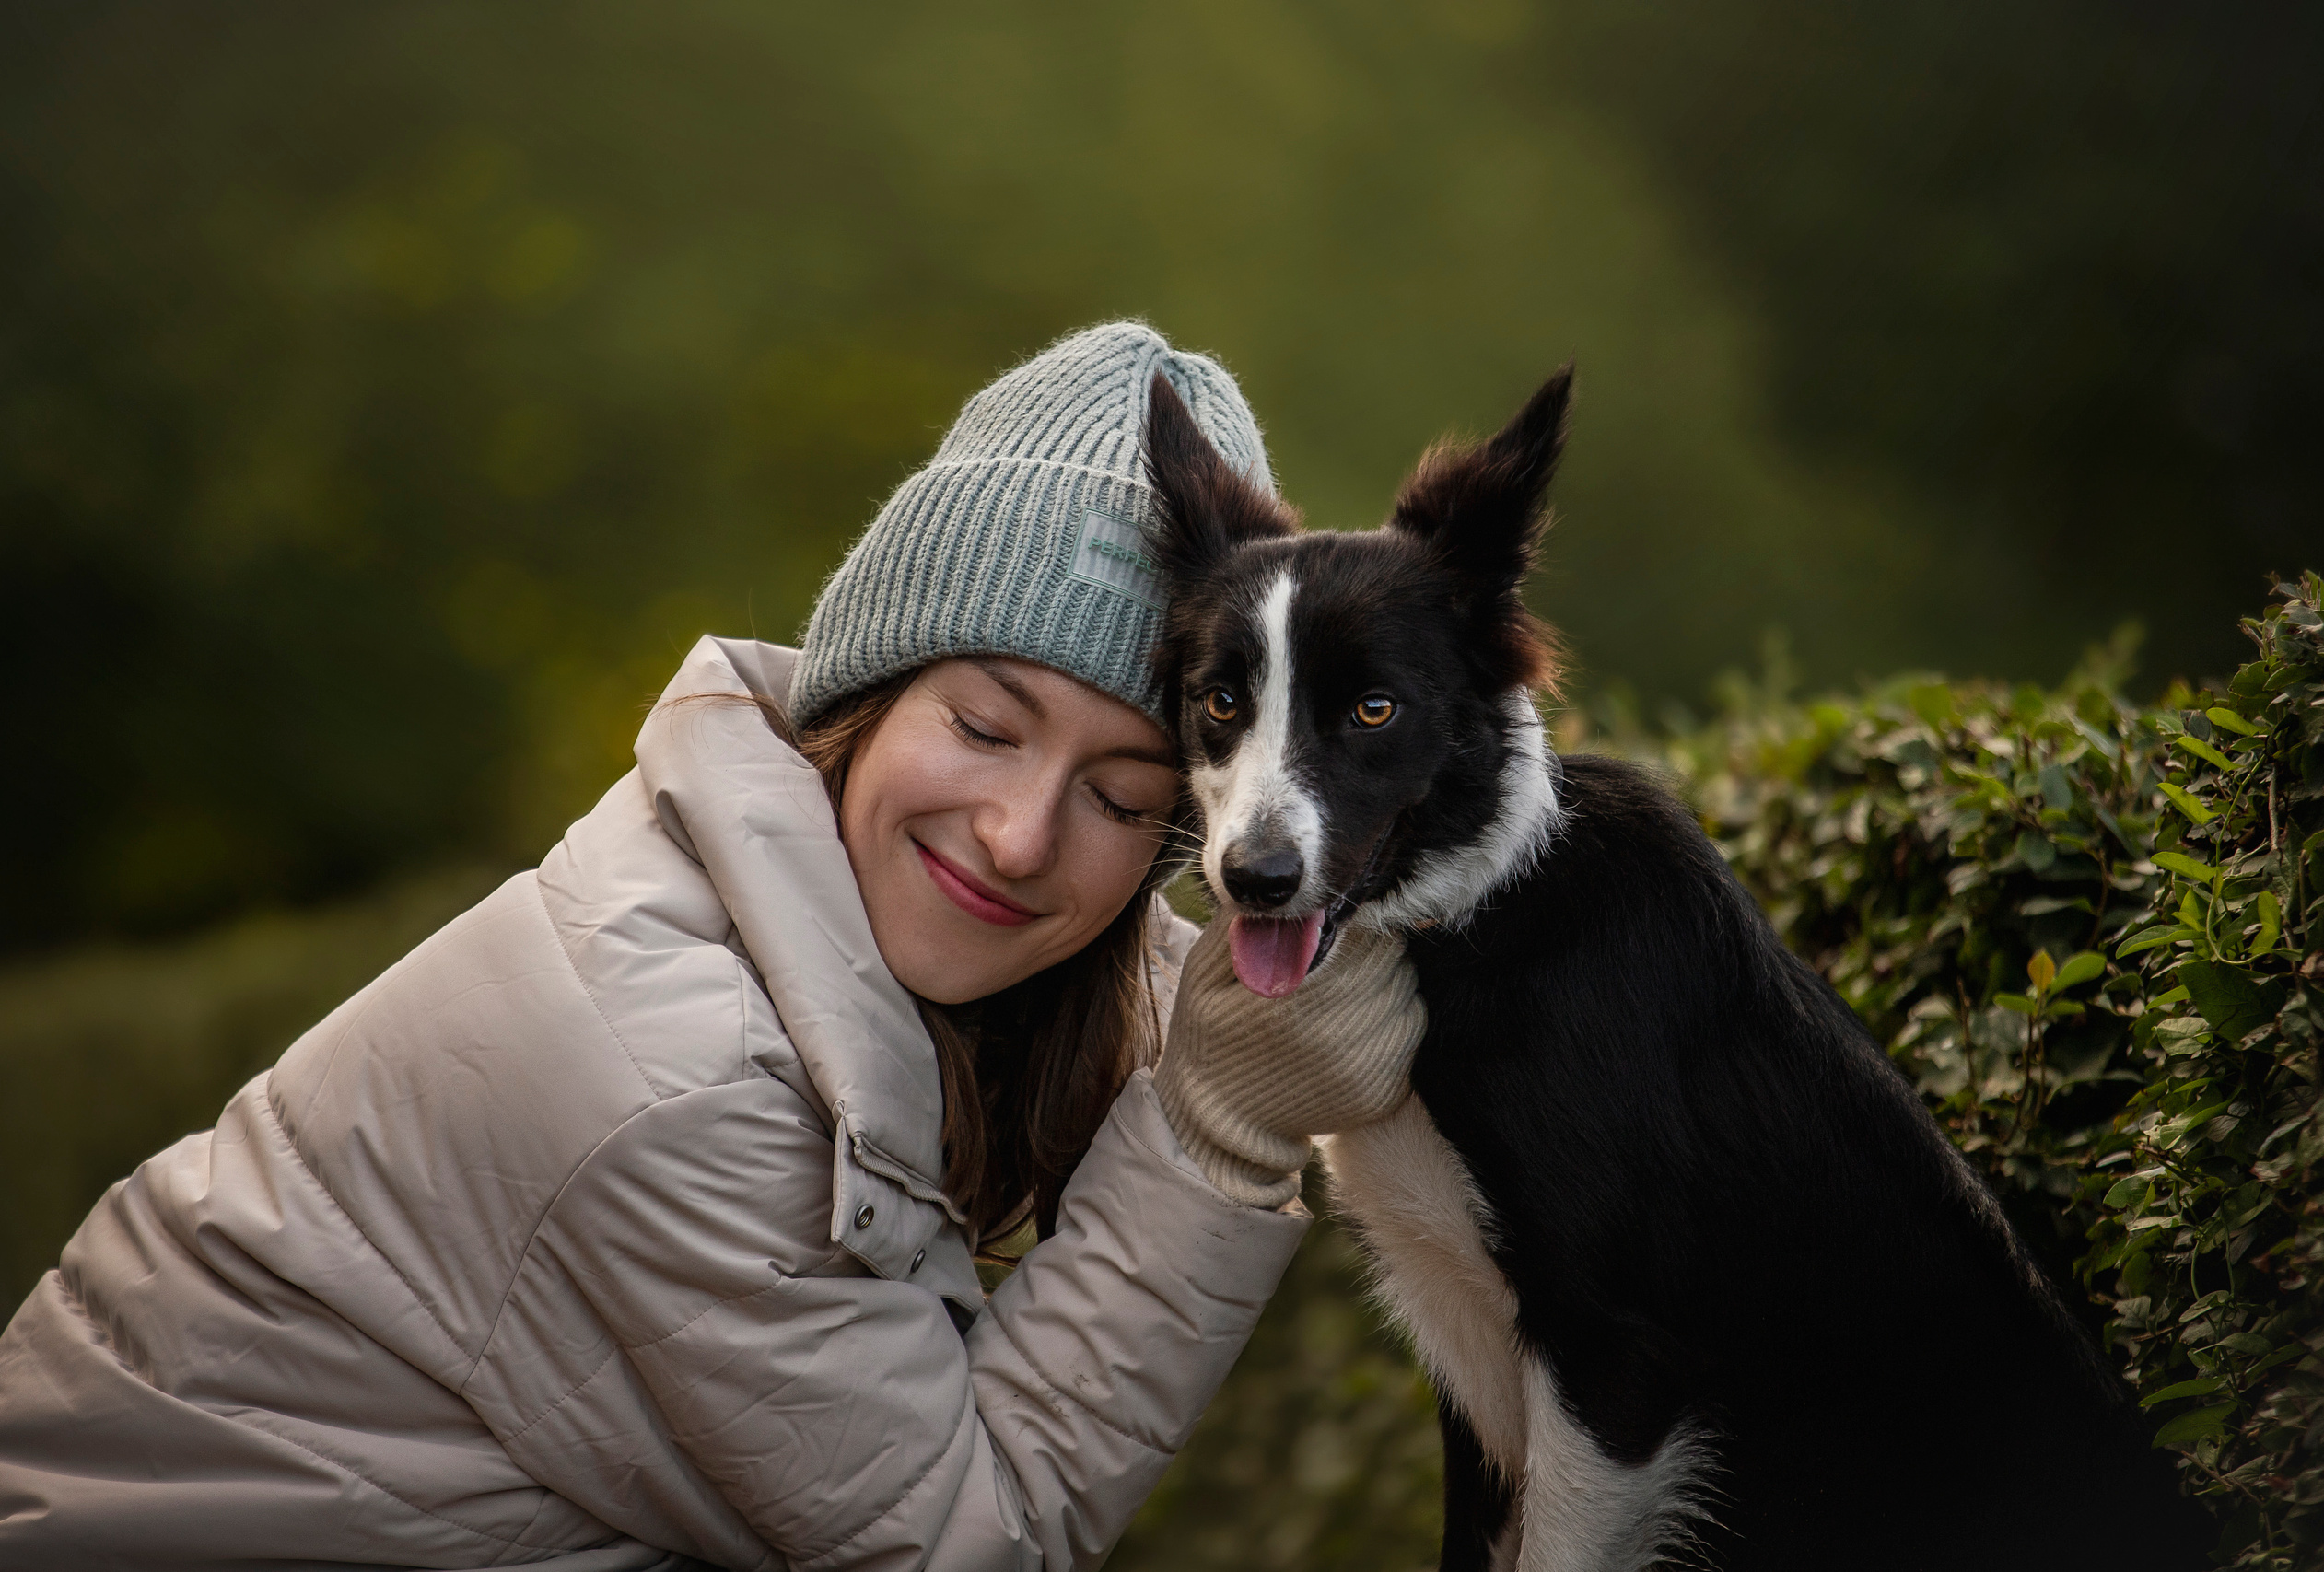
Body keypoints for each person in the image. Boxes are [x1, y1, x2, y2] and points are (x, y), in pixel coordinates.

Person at [0, 323, 1428, 1570]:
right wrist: (1220, 1129)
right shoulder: (673, 1080)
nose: (1016, 836)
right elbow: (962, 1537)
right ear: (865, 692)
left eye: (1122, 796)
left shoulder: (802, 911)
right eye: (983, 729)